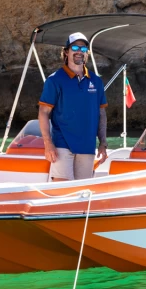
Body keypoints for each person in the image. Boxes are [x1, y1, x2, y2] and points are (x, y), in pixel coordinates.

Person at [38, 32, 108, 181]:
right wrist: (48, 143)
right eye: (75, 47)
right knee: (61, 192)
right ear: (66, 52)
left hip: (88, 146)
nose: (79, 51)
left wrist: (103, 143)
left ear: (87, 53)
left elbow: (101, 113)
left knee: (82, 193)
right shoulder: (55, 80)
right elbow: (43, 112)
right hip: (62, 145)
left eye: (83, 49)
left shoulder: (96, 81)